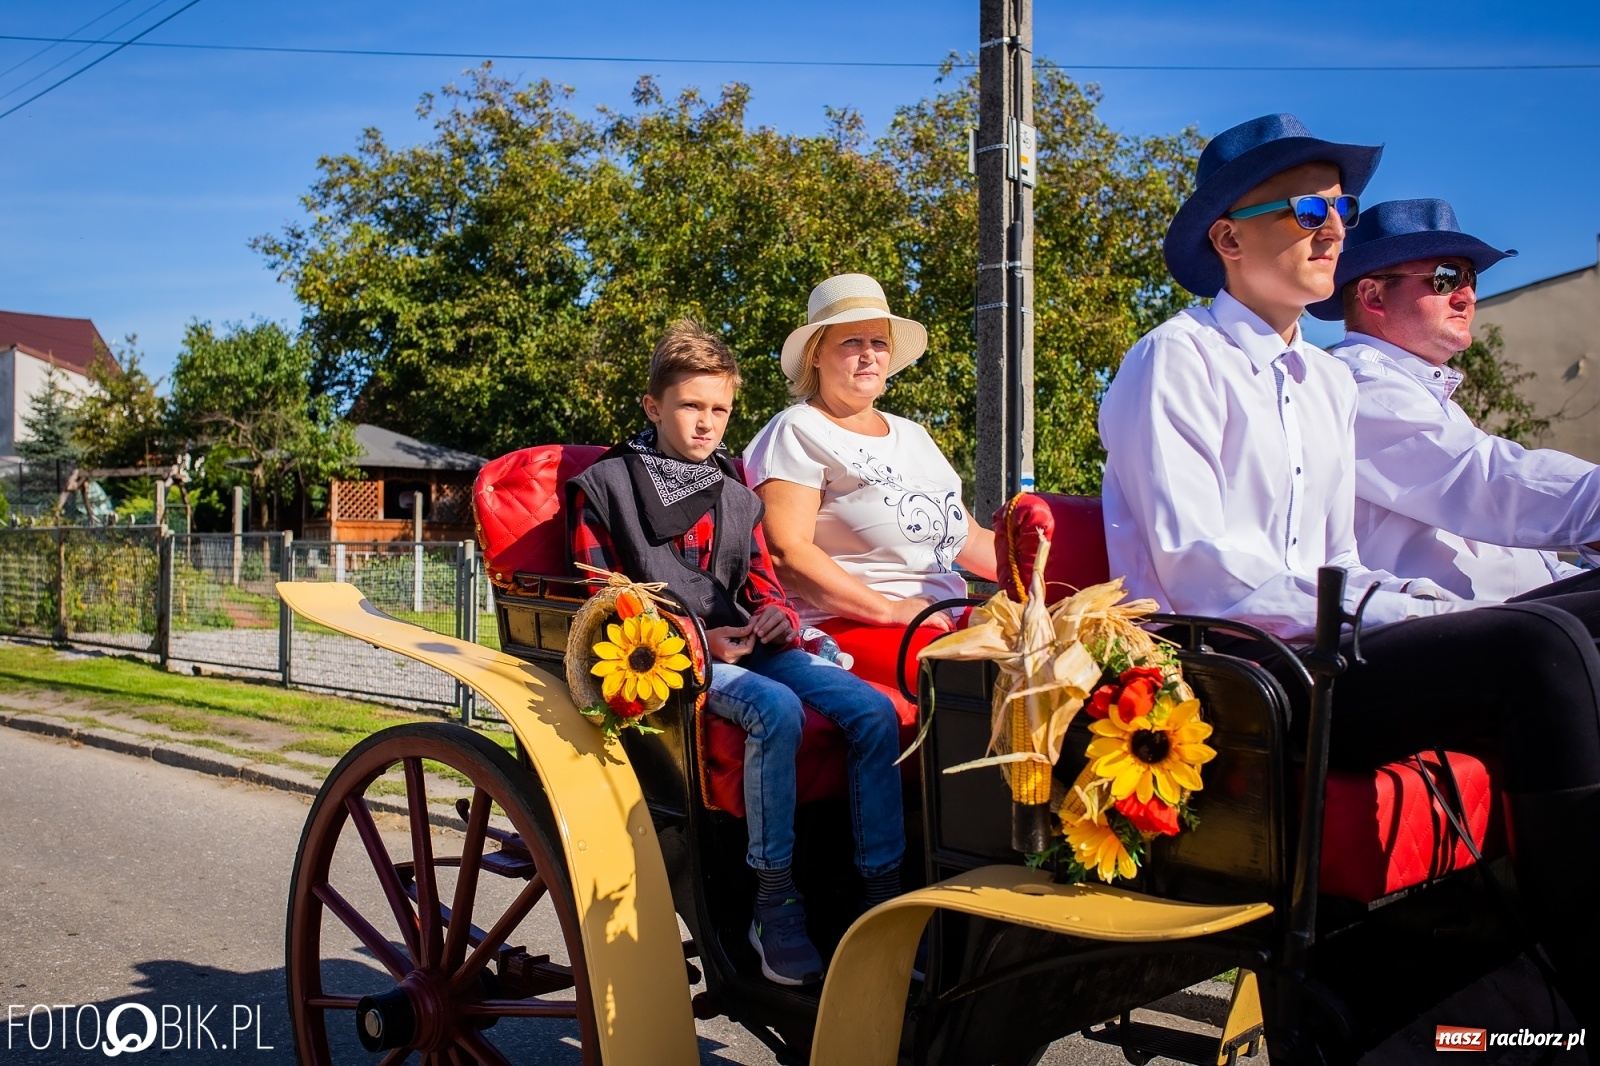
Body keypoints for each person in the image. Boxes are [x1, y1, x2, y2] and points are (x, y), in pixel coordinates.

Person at [1097, 113, 1600, 1030]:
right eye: (1308, 204)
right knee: (1542, 652)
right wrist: (1402, 613)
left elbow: (1338, 560)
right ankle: (1579, 975)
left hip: (1329, 656)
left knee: (1583, 615)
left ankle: (1511, 968)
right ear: (1229, 237)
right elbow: (1201, 574)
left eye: (1343, 203)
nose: (1334, 223)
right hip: (1240, 675)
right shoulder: (1176, 357)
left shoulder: (1325, 384)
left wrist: (1395, 607)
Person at [566, 320, 904, 987]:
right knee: (774, 709)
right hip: (667, 659)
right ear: (654, 407)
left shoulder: (735, 491)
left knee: (873, 711)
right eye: (691, 407)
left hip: (746, 645)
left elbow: (763, 586)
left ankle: (881, 899)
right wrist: (694, 641)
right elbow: (599, 605)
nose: (706, 424)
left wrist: (775, 618)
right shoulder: (606, 487)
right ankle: (772, 903)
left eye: (719, 410)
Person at [1302, 197, 1600, 600]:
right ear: (1373, 296)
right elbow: (1483, 478)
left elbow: (1519, 551)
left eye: (1470, 278)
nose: (1467, 296)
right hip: (1427, 639)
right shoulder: (1354, 383)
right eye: (1445, 277)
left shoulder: (1437, 402)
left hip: (1500, 628)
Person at [744, 273, 998, 690]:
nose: (868, 355)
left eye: (878, 343)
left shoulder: (914, 434)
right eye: (851, 343)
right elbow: (787, 555)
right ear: (815, 355)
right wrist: (889, 610)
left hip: (941, 616)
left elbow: (966, 540)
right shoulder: (796, 430)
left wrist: (1051, 579)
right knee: (975, 678)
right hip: (849, 626)